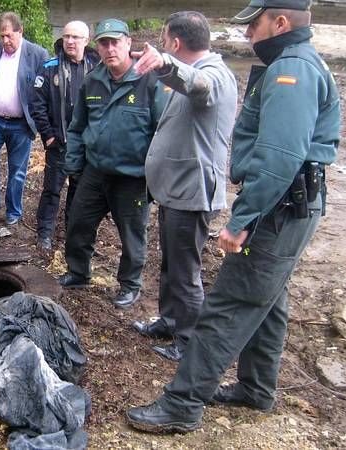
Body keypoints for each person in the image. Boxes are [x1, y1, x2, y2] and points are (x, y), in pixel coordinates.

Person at [126, 0, 340, 432]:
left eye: (254, 26)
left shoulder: (292, 72)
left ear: (280, 22)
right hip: (289, 204)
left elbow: (280, 156)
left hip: (279, 208)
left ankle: (183, 404)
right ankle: (256, 388)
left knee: (228, 304)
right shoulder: (293, 63)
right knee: (269, 300)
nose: (248, 35)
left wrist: (241, 219)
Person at [129, 11, 238, 362]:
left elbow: (199, 86)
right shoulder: (203, 71)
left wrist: (164, 65)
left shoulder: (214, 75)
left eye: (164, 41)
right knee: (172, 265)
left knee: (186, 272)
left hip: (192, 193)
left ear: (175, 43)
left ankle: (189, 339)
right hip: (176, 190)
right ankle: (170, 320)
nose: (163, 45)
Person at [59, 18, 159, 309]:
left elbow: (162, 133)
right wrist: (74, 165)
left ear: (128, 43)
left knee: (132, 234)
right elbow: (77, 127)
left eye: (116, 42)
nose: (110, 48)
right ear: (97, 47)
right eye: (104, 43)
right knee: (78, 223)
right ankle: (78, 272)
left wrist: (155, 178)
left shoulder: (149, 81)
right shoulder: (92, 81)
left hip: (133, 178)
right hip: (95, 171)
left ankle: (129, 285)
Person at [0, 12, 49, 226]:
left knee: (18, 170)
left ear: (20, 31)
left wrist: (36, 116)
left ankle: (13, 210)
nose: (4, 41)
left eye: (9, 35)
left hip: (21, 124)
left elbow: (44, 89)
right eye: (1, 36)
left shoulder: (37, 54)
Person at [31, 20, 100, 250]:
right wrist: (48, 136)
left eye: (75, 37)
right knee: (51, 190)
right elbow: (37, 104)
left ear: (86, 40)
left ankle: (73, 233)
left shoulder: (98, 68)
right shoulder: (49, 67)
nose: (70, 41)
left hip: (86, 146)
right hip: (58, 144)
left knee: (79, 192)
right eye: (67, 36)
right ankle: (44, 234)